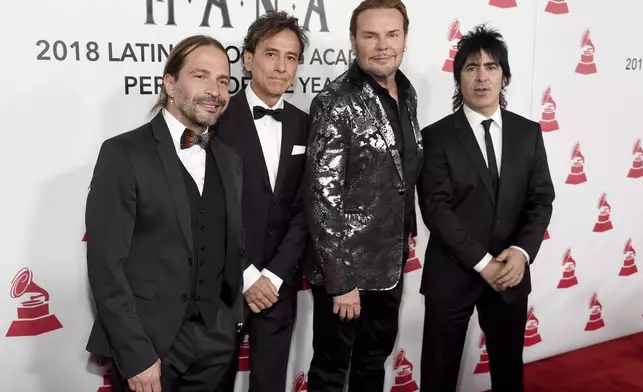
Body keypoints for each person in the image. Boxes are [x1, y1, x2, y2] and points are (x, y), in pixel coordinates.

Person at [85, 35, 245, 392]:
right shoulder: (123, 154)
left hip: (217, 341)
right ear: (170, 84)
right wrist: (135, 353)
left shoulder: (230, 160)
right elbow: (106, 266)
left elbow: (231, 244)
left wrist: (230, 323)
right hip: (150, 343)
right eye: (200, 76)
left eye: (223, 80)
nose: (214, 90)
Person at [417, 24, 555, 392]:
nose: (482, 77)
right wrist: (483, 263)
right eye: (471, 67)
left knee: (508, 370)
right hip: (452, 275)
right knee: (438, 372)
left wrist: (522, 252)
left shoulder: (529, 133)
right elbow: (436, 208)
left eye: (491, 67)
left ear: (504, 76)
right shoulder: (435, 136)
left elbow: (541, 199)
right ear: (458, 76)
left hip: (511, 274)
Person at [304, 1, 423, 390]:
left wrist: (408, 228)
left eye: (392, 34)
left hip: (390, 264)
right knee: (331, 372)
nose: (383, 45)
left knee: (373, 364)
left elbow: (402, 173)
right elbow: (322, 197)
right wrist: (340, 280)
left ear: (405, 38)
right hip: (347, 273)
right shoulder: (334, 101)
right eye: (371, 35)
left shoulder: (407, 94)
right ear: (354, 40)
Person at [215, 11, 310, 392]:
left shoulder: (307, 124)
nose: (282, 66)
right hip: (222, 285)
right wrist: (247, 275)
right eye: (272, 54)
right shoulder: (216, 118)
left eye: (291, 57)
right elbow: (208, 210)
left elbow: (307, 207)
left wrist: (272, 276)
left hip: (280, 286)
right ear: (248, 58)